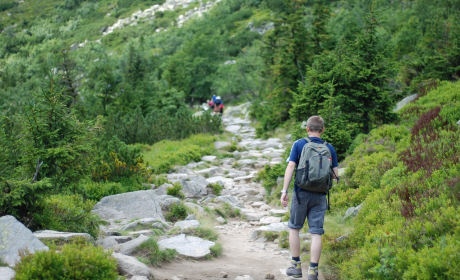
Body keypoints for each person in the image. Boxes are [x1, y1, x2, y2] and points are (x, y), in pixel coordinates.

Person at [280, 116, 339, 280]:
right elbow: (335, 175)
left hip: (300, 192)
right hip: (320, 195)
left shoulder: (299, 144)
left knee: (294, 227)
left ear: (307, 128)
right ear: (323, 130)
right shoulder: (330, 147)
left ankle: (296, 266)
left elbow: (291, 166)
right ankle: (313, 271)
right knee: (316, 232)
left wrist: (284, 191)